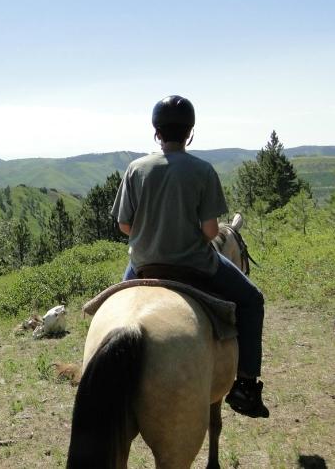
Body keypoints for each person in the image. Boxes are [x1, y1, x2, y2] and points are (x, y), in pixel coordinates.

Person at [111, 95, 269, 418]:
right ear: (190, 132)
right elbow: (212, 232)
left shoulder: (135, 169)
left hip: (143, 265)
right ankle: (246, 385)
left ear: (157, 133)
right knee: (253, 300)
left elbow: (124, 224)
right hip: (196, 265)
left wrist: (151, 235)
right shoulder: (203, 171)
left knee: (113, 313)